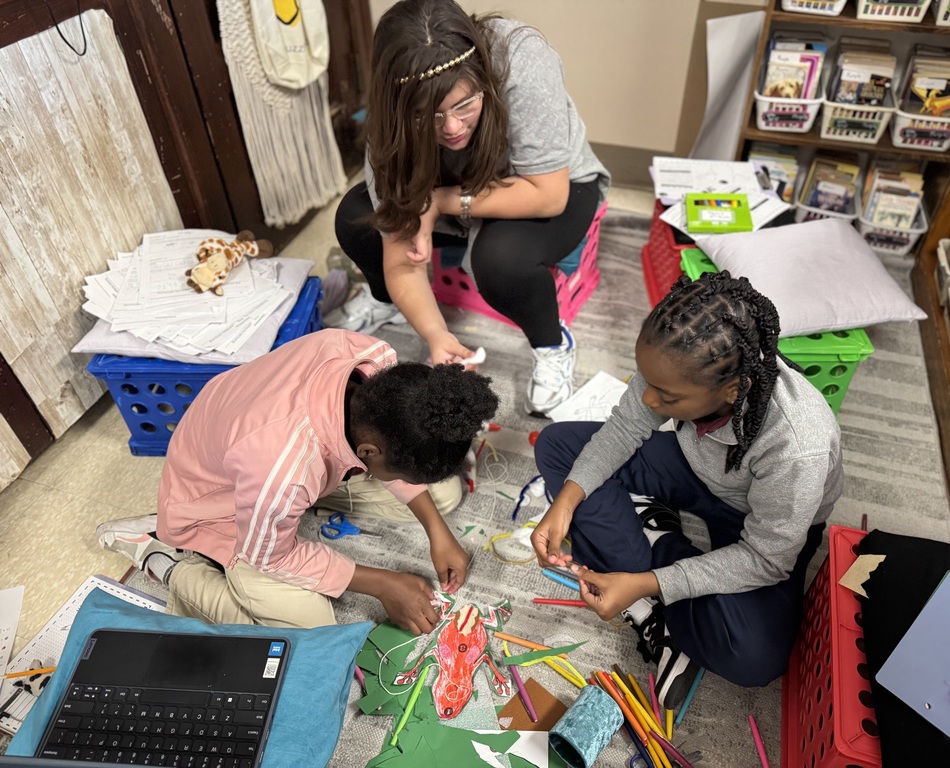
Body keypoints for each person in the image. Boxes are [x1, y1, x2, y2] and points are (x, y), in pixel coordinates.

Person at [529, 272, 843, 707]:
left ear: (735, 389)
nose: (649, 401)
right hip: (697, 471)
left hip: (762, 527)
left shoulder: (796, 446)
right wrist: (565, 502)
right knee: (558, 446)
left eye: (668, 398)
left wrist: (648, 583)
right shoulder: (675, 361)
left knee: (755, 658)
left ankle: (654, 556)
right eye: (647, 381)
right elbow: (624, 429)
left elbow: (767, 559)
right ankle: (652, 578)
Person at [97, 329, 499, 634]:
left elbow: (396, 446)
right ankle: (165, 561)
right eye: (395, 472)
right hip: (216, 499)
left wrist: (438, 532)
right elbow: (271, 555)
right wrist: (383, 584)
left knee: (442, 496)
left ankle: (297, 506)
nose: (398, 480)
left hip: (267, 464)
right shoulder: (282, 470)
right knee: (310, 628)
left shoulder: (375, 360)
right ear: (370, 454)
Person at [331, 0, 610, 417]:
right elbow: (401, 256)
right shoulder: (391, 125)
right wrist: (436, 335)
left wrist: (439, 201)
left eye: (465, 106)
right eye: (430, 116)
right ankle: (383, 301)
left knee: (501, 260)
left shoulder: (521, 58)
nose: (452, 128)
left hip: (544, 185)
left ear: (483, 80)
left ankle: (552, 343)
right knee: (356, 218)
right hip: (455, 188)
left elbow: (549, 194)